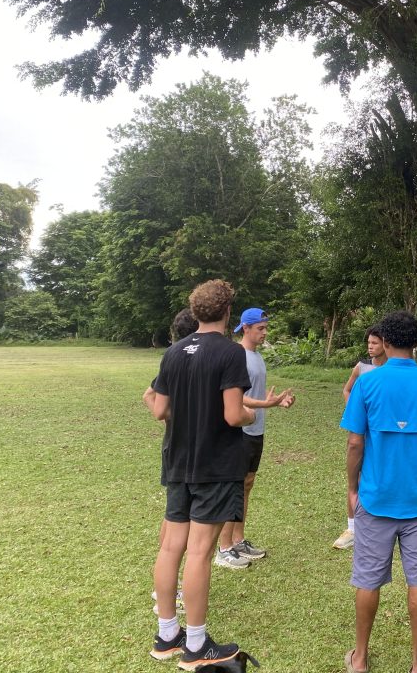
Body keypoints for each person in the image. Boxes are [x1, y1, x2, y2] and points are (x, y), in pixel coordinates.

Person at [147, 279, 257, 669]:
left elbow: (160, 410)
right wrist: (251, 413)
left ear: (195, 313)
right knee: (199, 552)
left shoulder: (174, 352)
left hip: (178, 463)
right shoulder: (230, 353)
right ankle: (196, 643)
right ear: (228, 311)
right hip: (215, 465)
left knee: (170, 547)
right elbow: (233, 414)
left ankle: (166, 635)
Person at [340, 311, 417, 673]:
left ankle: (359, 657)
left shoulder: (367, 383)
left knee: (367, 579)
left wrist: (352, 488)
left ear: (385, 343)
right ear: (416, 342)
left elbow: (355, 444)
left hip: (375, 499)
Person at [215, 307, 295, 568]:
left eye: (265, 328)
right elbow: (234, 397)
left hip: (256, 430)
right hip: (239, 431)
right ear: (245, 328)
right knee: (234, 488)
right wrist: (265, 403)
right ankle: (223, 547)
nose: (264, 333)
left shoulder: (257, 358)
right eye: (260, 328)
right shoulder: (237, 356)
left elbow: (258, 396)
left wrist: (278, 403)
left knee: (246, 486)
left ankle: (238, 540)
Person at [144, 308, 199, 614]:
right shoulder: (181, 360)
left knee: (174, 517)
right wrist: (171, 417)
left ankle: (167, 585)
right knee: (179, 522)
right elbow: (149, 397)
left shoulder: (177, 357)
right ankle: (171, 588)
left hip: (178, 451)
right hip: (181, 451)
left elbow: (149, 396)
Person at [334, 325, 386, 550]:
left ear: (387, 344)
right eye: (369, 343)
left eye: (375, 343)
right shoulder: (362, 367)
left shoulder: (391, 371)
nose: (370, 346)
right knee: (354, 479)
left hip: (382, 436)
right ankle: (352, 528)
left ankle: (380, 525)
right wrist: (353, 413)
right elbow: (347, 390)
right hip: (360, 435)